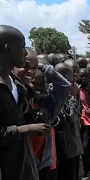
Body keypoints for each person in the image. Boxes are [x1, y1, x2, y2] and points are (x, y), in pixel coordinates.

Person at [0, 25, 51, 180]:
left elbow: (12, 118)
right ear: (8, 49)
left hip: (23, 168)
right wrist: (24, 129)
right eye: (22, 47)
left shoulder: (15, 83)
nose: (25, 52)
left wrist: (32, 116)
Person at [54, 63, 83, 180]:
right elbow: (71, 117)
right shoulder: (58, 95)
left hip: (72, 146)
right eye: (72, 78)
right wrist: (72, 99)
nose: (74, 81)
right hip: (67, 148)